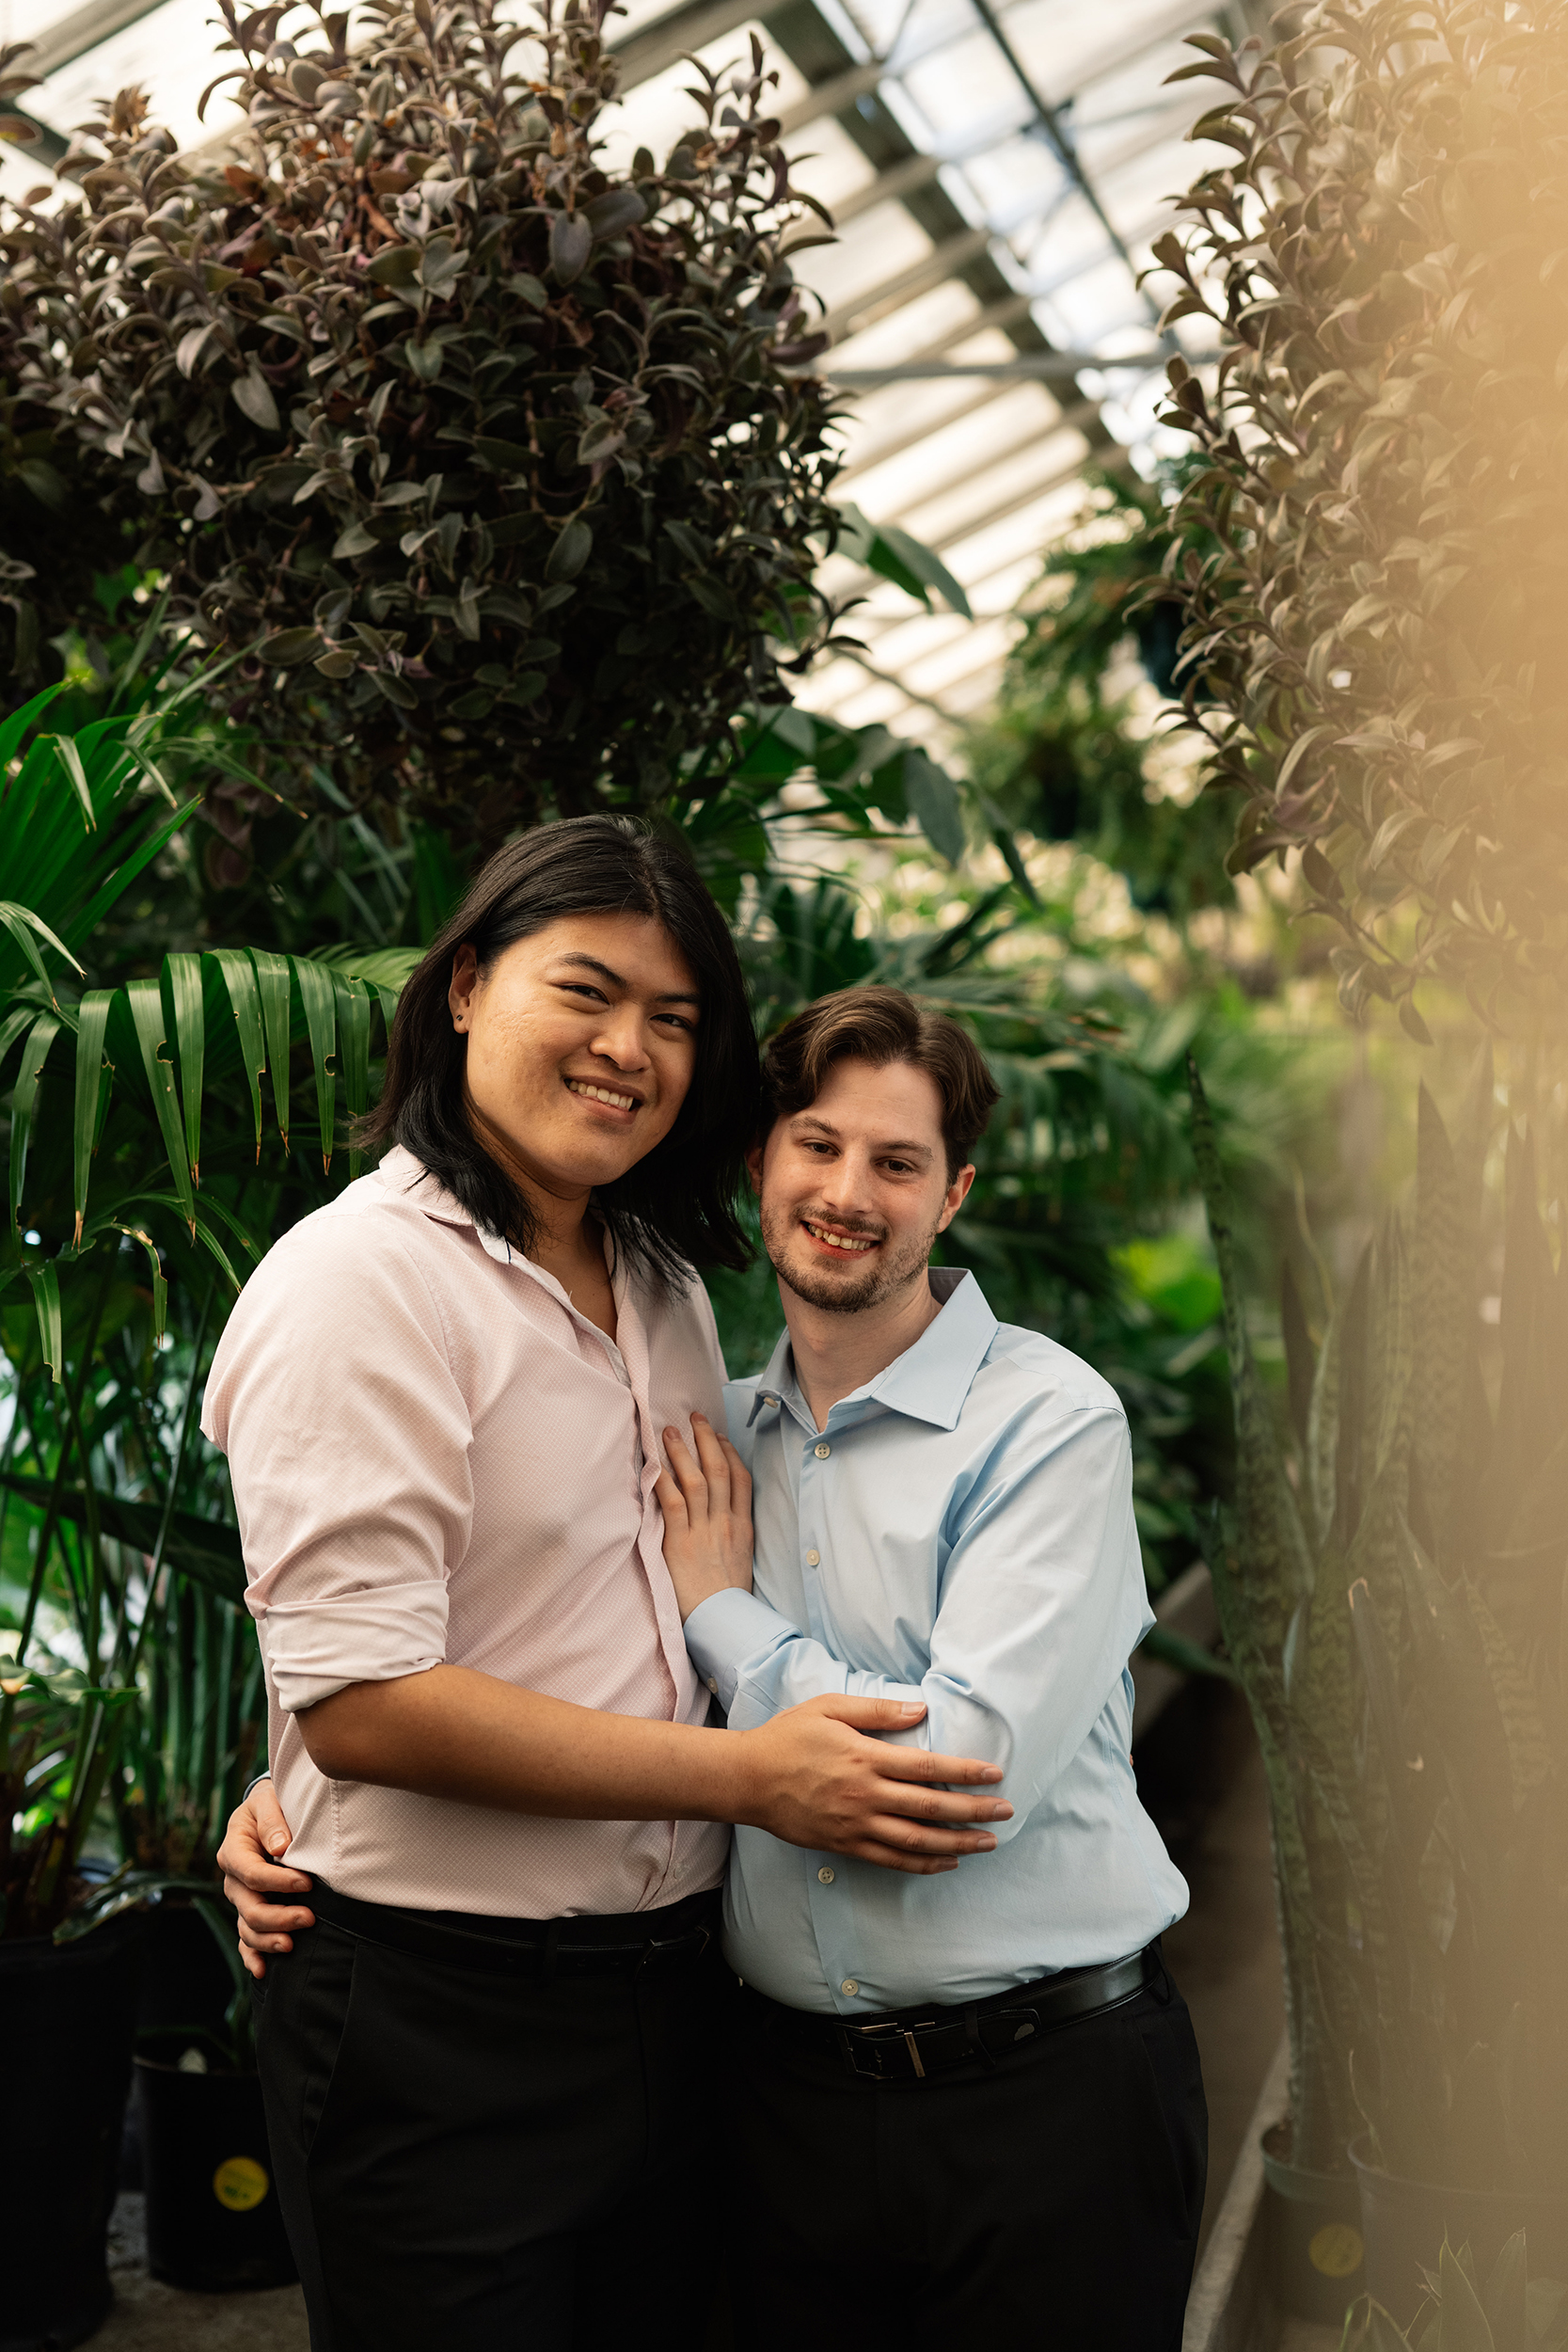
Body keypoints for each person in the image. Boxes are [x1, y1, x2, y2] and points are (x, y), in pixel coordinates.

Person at [204, 833, 1010, 2352]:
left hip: (680, 2010)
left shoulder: (663, 1285)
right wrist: (750, 1777)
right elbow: (367, 1698)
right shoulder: (358, 1284)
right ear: (461, 991)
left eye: (677, 1018)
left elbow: (518, 1624)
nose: (629, 1049)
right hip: (443, 2024)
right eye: (586, 989)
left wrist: (278, 1780)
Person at [653, 985, 1206, 2349]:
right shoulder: (710, 1438)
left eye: (896, 1162)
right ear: (761, 1163)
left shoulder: (1049, 1422)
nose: (850, 1192)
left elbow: (947, 1782)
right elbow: (544, 1668)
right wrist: (294, 1805)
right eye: (819, 1146)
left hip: (1050, 2107)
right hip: (777, 2112)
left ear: (951, 1193)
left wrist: (725, 1616)